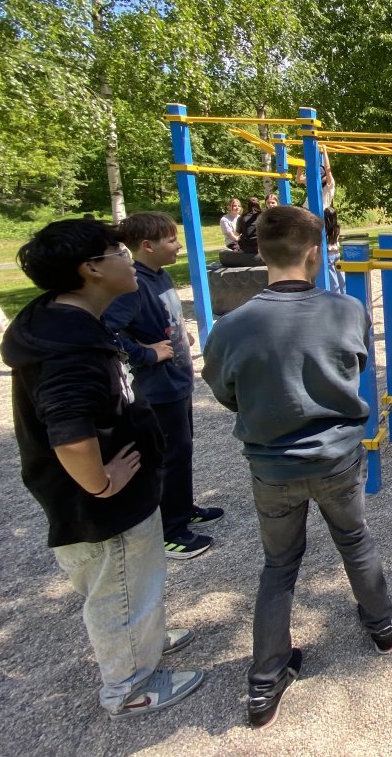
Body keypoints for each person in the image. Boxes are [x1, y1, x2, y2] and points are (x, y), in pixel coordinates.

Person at [0, 219, 205, 719]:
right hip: (103, 508)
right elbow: (69, 432)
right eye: (118, 251)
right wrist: (101, 482)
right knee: (119, 590)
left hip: (124, 498)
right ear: (91, 269)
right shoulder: (69, 346)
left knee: (134, 581)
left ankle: (145, 640)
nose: (128, 258)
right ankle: (129, 686)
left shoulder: (70, 321)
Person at [201, 206, 392, 729]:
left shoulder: (231, 327)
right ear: (314, 253)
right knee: (354, 540)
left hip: (272, 465)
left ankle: (265, 682)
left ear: (259, 252)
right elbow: (356, 366)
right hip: (337, 456)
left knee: (280, 564)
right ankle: (382, 626)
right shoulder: (347, 310)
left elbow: (225, 391)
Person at [104, 212, 223, 560]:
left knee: (182, 450)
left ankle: (182, 507)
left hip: (178, 381)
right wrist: (145, 353)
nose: (178, 245)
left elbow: (163, 317)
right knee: (169, 456)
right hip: (158, 388)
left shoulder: (160, 275)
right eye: (171, 240)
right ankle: (170, 531)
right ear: (147, 245)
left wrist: (180, 334)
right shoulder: (133, 285)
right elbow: (107, 331)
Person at [323, 206, 344, 292]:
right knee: (340, 274)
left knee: (333, 277)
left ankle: (336, 293)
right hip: (337, 252)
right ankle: (343, 292)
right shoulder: (337, 228)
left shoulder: (325, 229)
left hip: (329, 254)